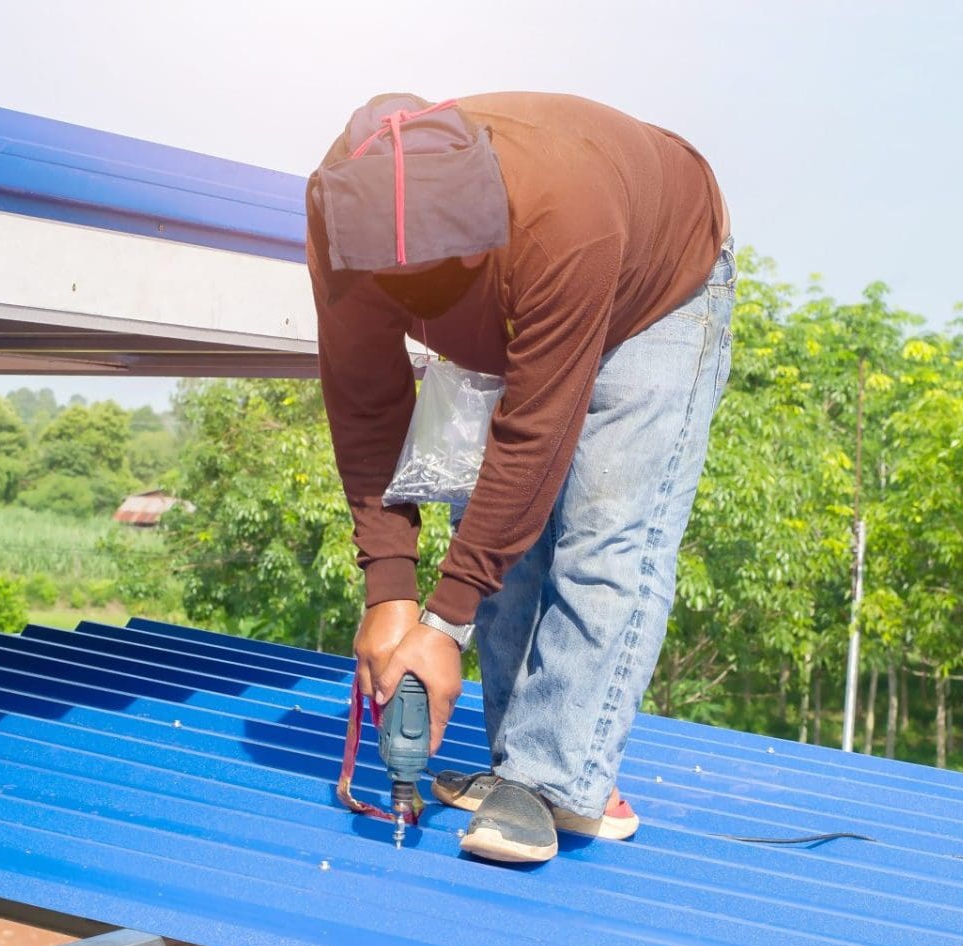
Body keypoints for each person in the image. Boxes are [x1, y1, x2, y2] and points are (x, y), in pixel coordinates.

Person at [307, 92, 732, 864]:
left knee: (605, 533)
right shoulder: (337, 209)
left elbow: (533, 441)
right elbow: (363, 395)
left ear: (484, 222)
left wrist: (442, 627)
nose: (412, 285)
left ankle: (552, 783)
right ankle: (528, 765)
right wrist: (391, 590)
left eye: (440, 270)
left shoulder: (565, 212)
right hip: (524, 292)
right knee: (492, 534)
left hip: (656, 285)